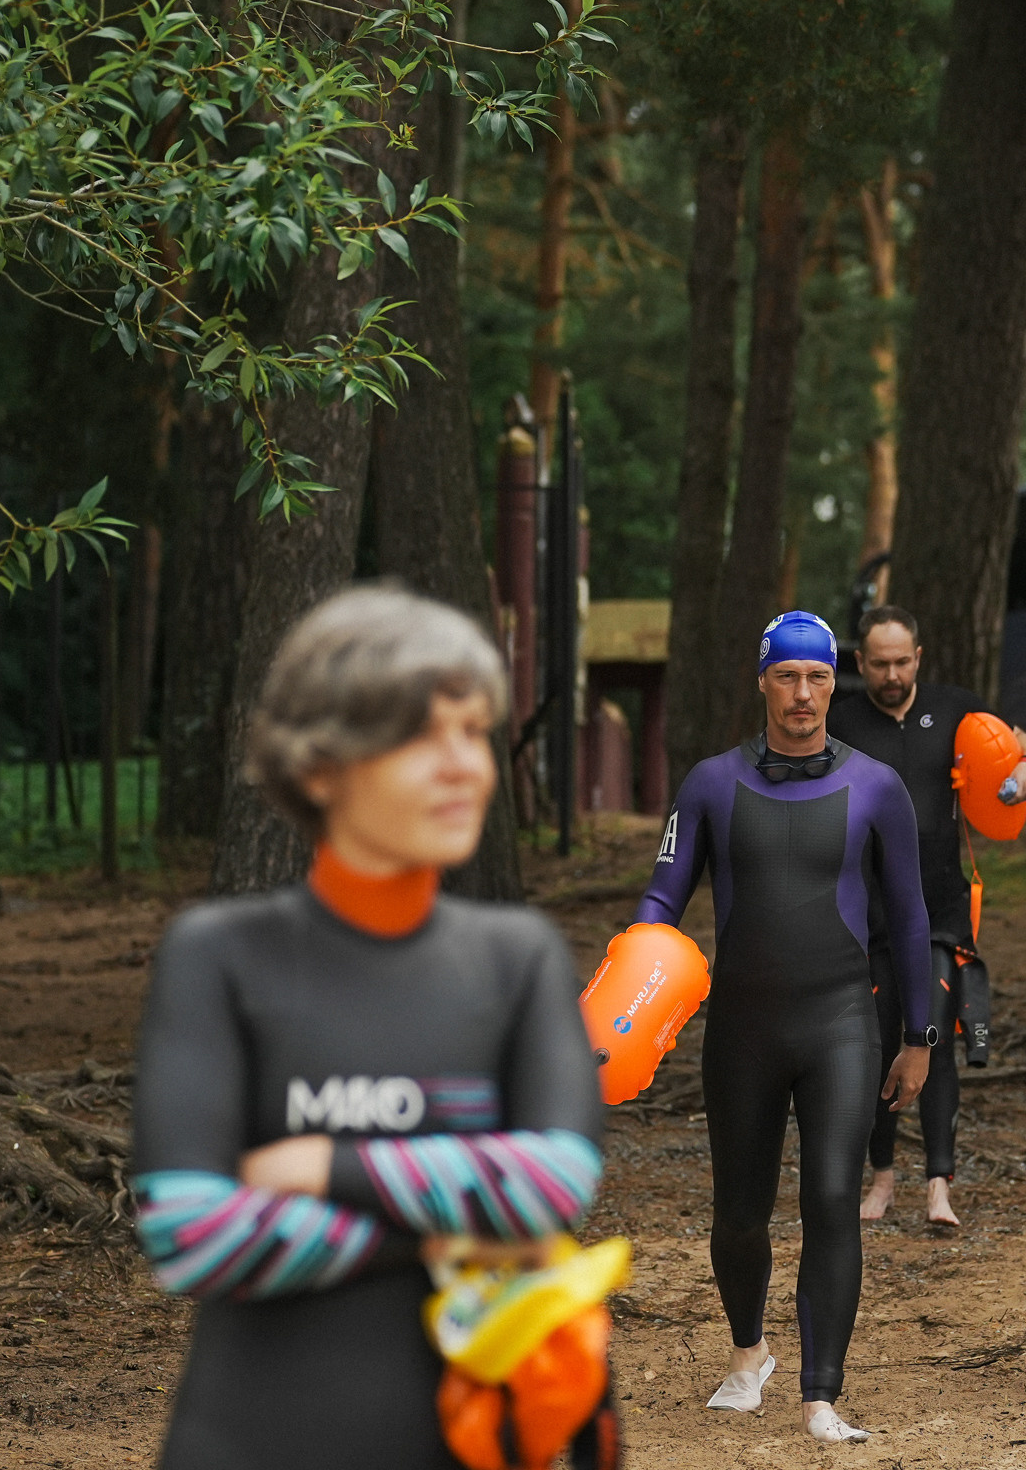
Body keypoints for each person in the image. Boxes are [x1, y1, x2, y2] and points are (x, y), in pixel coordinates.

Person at [130, 586, 606, 1470]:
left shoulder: (518, 957)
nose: (463, 766)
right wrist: (453, 1225)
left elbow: (555, 1185)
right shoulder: (220, 955)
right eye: (421, 737)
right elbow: (191, 1235)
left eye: (474, 732)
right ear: (320, 767)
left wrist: (323, 1167)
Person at [635, 609, 934, 1443]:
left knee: (833, 1199)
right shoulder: (710, 784)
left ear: (835, 683)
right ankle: (748, 1356)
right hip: (743, 1027)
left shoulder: (877, 786)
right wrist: (631, 991)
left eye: (818, 677)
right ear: (763, 680)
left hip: (841, 1022)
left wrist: (919, 1037)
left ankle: (820, 1396)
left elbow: (911, 917)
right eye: (787, 676)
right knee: (739, 1212)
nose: (803, 693)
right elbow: (661, 899)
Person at [827, 604, 1026, 1229]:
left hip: (940, 908)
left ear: (918, 657)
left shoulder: (955, 709)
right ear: (861, 661)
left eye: (902, 662)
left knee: (934, 1038)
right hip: (867, 914)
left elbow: (1022, 741)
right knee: (876, 1042)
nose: (892, 675)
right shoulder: (841, 722)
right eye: (879, 664)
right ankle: (881, 1177)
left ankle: (938, 1185)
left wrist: (1025, 767)